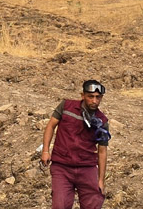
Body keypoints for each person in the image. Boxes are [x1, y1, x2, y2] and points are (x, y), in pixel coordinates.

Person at [41, 79, 111, 209]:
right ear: (82, 95)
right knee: (60, 205)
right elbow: (50, 126)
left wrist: (100, 180)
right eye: (90, 97)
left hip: (87, 168)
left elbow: (102, 151)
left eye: (98, 97)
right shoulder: (66, 106)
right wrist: (45, 151)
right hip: (62, 167)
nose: (94, 101)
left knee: (94, 203)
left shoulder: (101, 121)